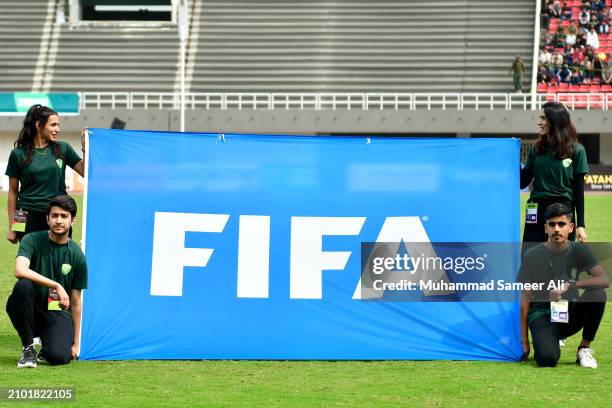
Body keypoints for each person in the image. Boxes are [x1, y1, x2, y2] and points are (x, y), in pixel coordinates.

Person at [519, 203, 608, 368]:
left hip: (569, 315)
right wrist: (524, 340)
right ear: (545, 228)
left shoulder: (579, 250)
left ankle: (584, 348)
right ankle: (550, 340)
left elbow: (604, 280)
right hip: (542, 315)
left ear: (571, 227)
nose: (557, 229)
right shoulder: (532, 255)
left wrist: (572, 284)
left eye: (561, 224)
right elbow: (524, 300)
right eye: (552, 224)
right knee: (547, 359)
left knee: (598, 293)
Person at [5, 195, 87, 368]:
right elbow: (19, 270)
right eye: (54, 216)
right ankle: (28, 348)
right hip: (31, 307)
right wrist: (55, 284)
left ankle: (47, 344)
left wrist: (76, 343)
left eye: (64, 216)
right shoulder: (32, 239)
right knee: (23, 286)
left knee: (59, 357)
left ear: (73, 221)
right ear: (47, 219)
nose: (58, 220)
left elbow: (76, 301)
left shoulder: (77, 255)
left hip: (57, 312)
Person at [5, 104, 86, 244]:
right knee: (31, 262)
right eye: (53, 125)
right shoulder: (18, 154)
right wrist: (13, 227)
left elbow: (86, 171)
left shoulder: (63, 148)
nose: (57, 129)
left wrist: (85, 147)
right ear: (38, 125)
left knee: (59, 261)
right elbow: (13, 192)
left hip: (58, 215)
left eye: (58, 125)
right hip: (26, 215)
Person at [520, 102, 589, 246]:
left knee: (562, 262)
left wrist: (580, 225)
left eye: (543, 118)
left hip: (563, 209)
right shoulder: (536, 150)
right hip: (535, 208)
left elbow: (579, 192)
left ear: (555, 120)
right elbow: (522, 182)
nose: (540, 122)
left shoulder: (577, 150)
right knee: (529, 256)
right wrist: (510, 158)